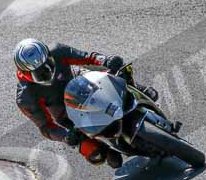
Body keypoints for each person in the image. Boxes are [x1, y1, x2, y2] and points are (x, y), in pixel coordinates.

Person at [14, 38, 157, 168]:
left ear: (50, 56)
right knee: (96, 156)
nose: (48, 72)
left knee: (115, 69)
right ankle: (107, 149)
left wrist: (105, 60)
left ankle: (135, 88)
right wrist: (66, 136)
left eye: (49, 64)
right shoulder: (26, 97)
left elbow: (88, 57)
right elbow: (46, 127)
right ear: (26, 73)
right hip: (66, 113)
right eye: (40, 72)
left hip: (81, 83)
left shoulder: (58, 50)